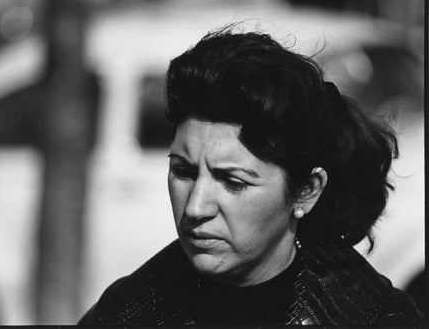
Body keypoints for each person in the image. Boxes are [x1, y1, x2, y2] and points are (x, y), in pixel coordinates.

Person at [78, 28, 424, 326]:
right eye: (183, 171)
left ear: (306, 191)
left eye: (233, 181)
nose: (196, 208)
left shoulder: (376, 317)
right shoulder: (127, 312)